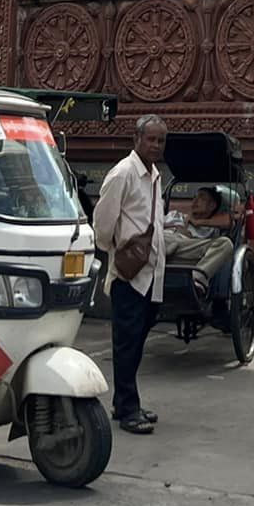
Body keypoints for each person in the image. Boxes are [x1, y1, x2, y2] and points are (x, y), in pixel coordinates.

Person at [92, 114, 167, 435]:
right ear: (136, 139)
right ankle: (127, 409)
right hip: (129, 274)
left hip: (151, 274)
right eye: (151, 139)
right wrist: (117, 252)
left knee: (136, 341)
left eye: (161, 140)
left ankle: (125, 403)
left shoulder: (155, 175)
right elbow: (102, 224)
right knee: (126, 343)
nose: (156, 145)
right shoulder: (123, 173)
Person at [163, 186, 233, 303]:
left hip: (187, 249)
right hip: (165, 239)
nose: (195, 201)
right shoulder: (175, 215)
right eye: (194, 197)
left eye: (201, 198)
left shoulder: (210, 227)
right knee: (164, 238)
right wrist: (177, 227)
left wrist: (198, 222)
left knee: (226, 243)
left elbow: (228, 221)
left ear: (212, 206)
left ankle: (197, 279)